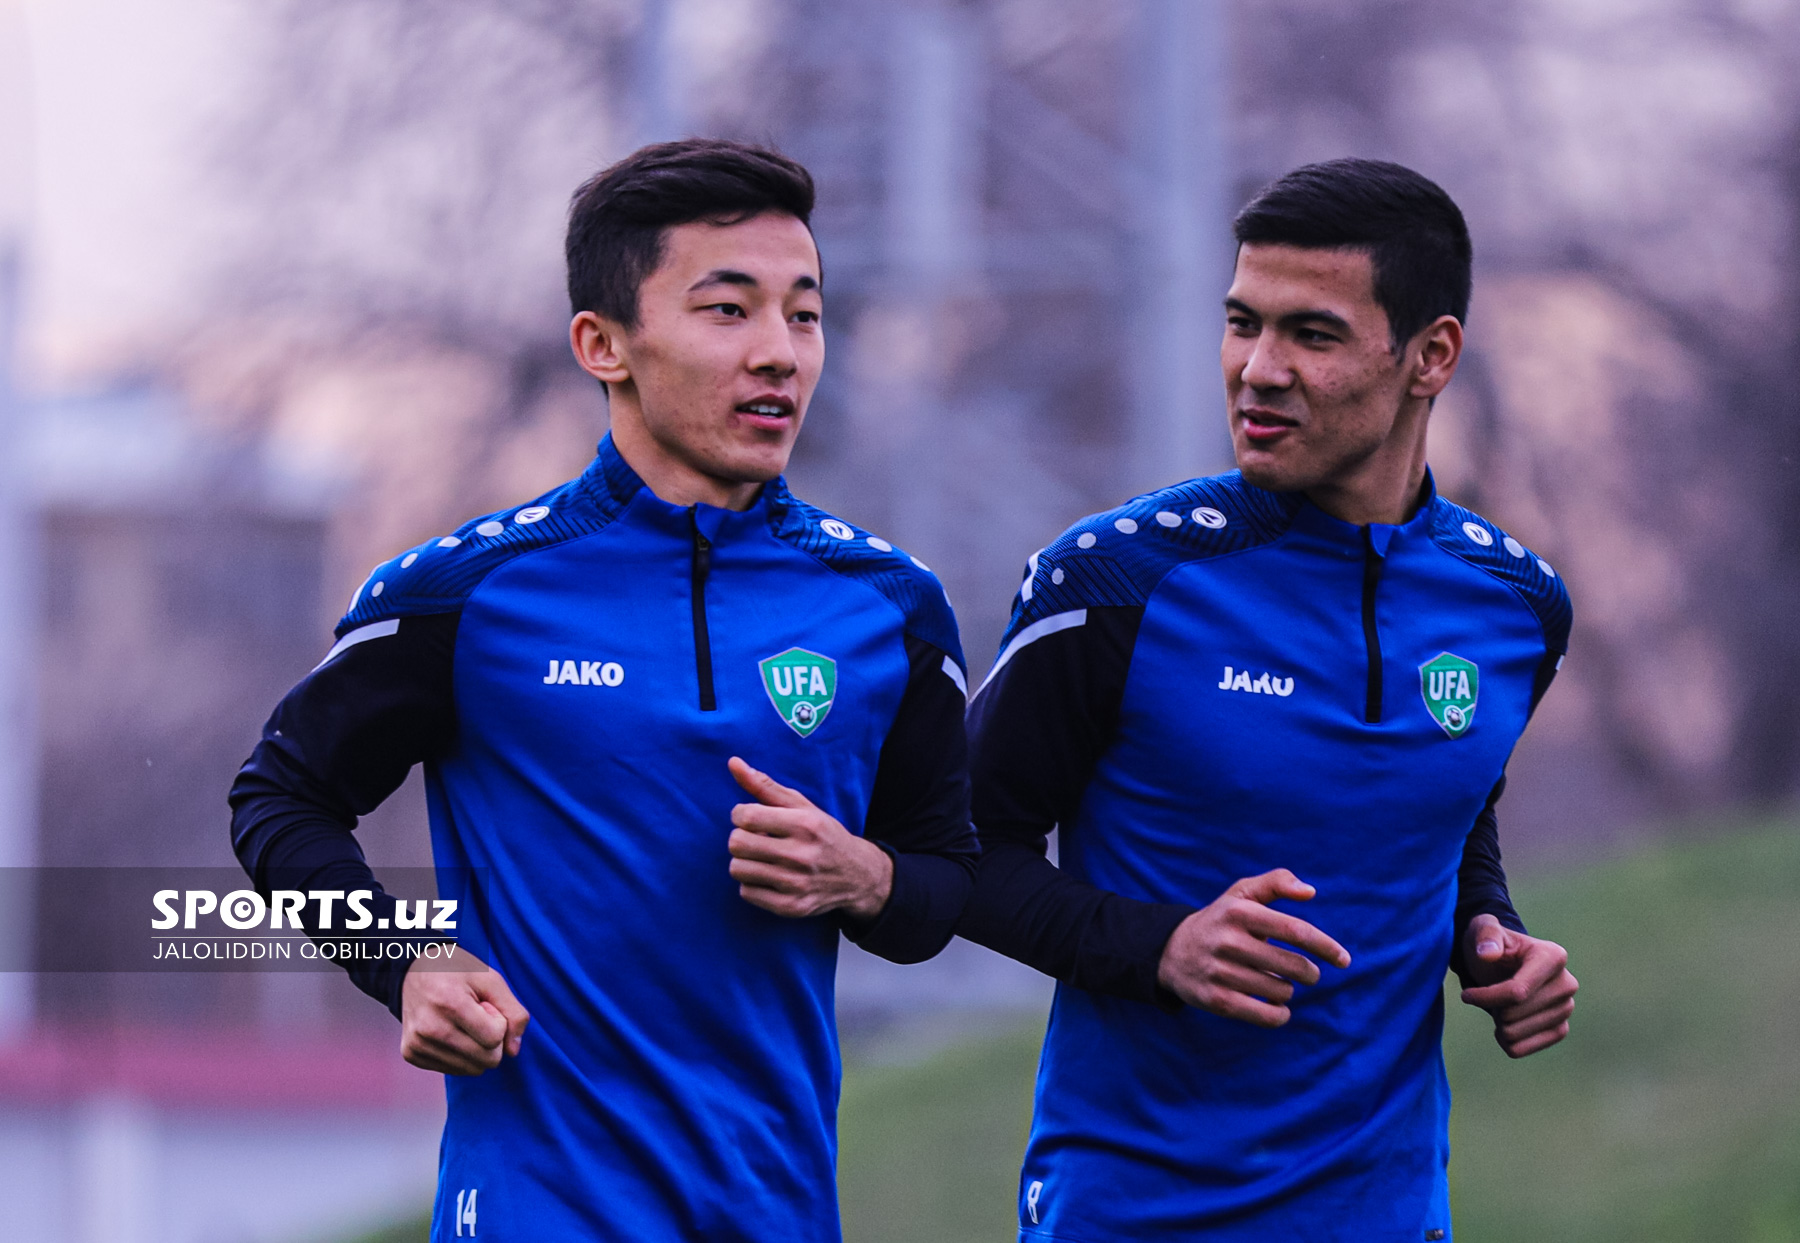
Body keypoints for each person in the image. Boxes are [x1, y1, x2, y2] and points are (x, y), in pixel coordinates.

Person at [228, 139, 978, 1242]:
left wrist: (865, 876)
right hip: (542, 1208)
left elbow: (941, 890)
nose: (780, 353)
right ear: (603, 344)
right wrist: (405, 962)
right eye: (729, 311)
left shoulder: (889, 609)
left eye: (805, 315)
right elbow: (278, 798)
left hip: (778, 1211)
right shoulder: (469, 594)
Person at [957, 158, 1579, 1241]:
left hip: (1390, 1215)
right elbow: (953, 853)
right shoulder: (1114, 581)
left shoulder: (1518, 607)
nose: (1258, 369)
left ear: (1430, 356)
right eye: (1243, 323)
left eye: (1314, 335)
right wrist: (1159, 946)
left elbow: (1448, 807)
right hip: (1133, 1214)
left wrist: (1492, 933)